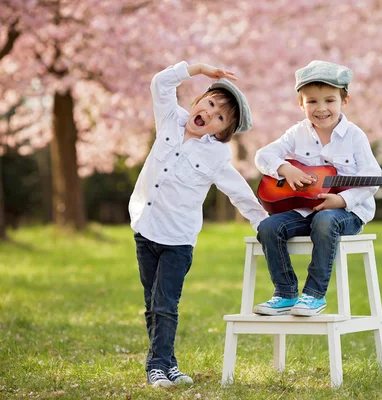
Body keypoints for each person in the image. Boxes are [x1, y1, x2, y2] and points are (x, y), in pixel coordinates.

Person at [128, 61, 268, 387]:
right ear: (197, 101)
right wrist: (197, 68)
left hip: (177, 240)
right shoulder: (170, 119)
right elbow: (160, 83)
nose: (211, 112)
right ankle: (168, 362)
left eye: (220, 117)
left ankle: (158, 367)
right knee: (152, 303)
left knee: (165, 303)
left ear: (220, 132)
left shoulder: (216, 156)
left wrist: (262, 224)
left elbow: (239, 191)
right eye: (211, 103)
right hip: (145, 228)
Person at [253, 60, 381, 317]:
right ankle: (285, 293)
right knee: (268, 226)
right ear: (301, 104)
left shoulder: (355, 136)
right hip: (305, 210)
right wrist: (284, 169)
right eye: (312, 101)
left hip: (347, 214)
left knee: (325, 220)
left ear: (344, 100)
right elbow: (263, 155)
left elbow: (372, 176)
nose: (321, 108)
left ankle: (313, 295)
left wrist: (342, 200)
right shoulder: (296, 133)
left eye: (329, 100)